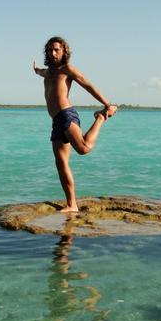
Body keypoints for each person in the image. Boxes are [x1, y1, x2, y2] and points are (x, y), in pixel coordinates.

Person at [33, 36, 118, 212]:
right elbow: (41, 71)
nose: (53, 52)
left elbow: (88, 85)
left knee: (83, 148)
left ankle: (100, 118)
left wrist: (107, 105)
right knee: (61, 163)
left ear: (64, 52)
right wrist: (36, 70)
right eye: (50, 50)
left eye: (56, 49)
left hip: (66, 114)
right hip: (56, 120)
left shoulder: (67, 69)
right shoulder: (48, 72)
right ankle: (72, 204)